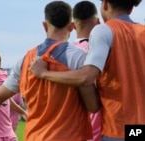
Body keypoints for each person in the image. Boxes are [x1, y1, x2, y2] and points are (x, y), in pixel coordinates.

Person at [0, 1, 101, 141]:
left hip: (35, 136)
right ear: (72, 27)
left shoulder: (25, 60)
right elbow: (93, 105)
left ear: (45, 26)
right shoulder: (78, 57)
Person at [29, 0, 145, 141]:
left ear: (106, 4)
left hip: (118, 128)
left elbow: (86, 77)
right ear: (131, 9)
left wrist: (44, 73)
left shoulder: (104, 30)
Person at [72, 1, 101, 141]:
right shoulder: (105, 52)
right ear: (98, 22)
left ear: (73, 25)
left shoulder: (61, 54)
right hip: (103, 130)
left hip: (72, 131)